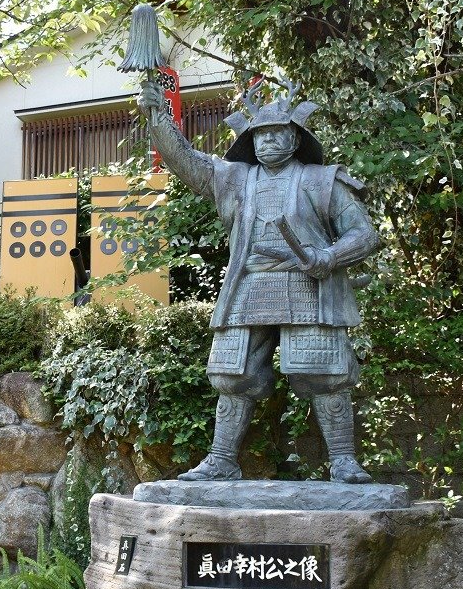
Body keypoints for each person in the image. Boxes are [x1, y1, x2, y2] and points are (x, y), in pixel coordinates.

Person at [138, 77, 381, 483]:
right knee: (232, 375)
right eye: (260, 134)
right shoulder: (233, 178)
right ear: (250, 140)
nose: (268, 140)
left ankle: (343, 460)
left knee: (324, 373)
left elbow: (365, 234)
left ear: (295, 138)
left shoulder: (323, 180)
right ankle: (222, 459)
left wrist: (328, 256)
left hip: (308, 285)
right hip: (248, 285)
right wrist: (157, 115)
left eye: (277, 133)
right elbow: (186, 161)